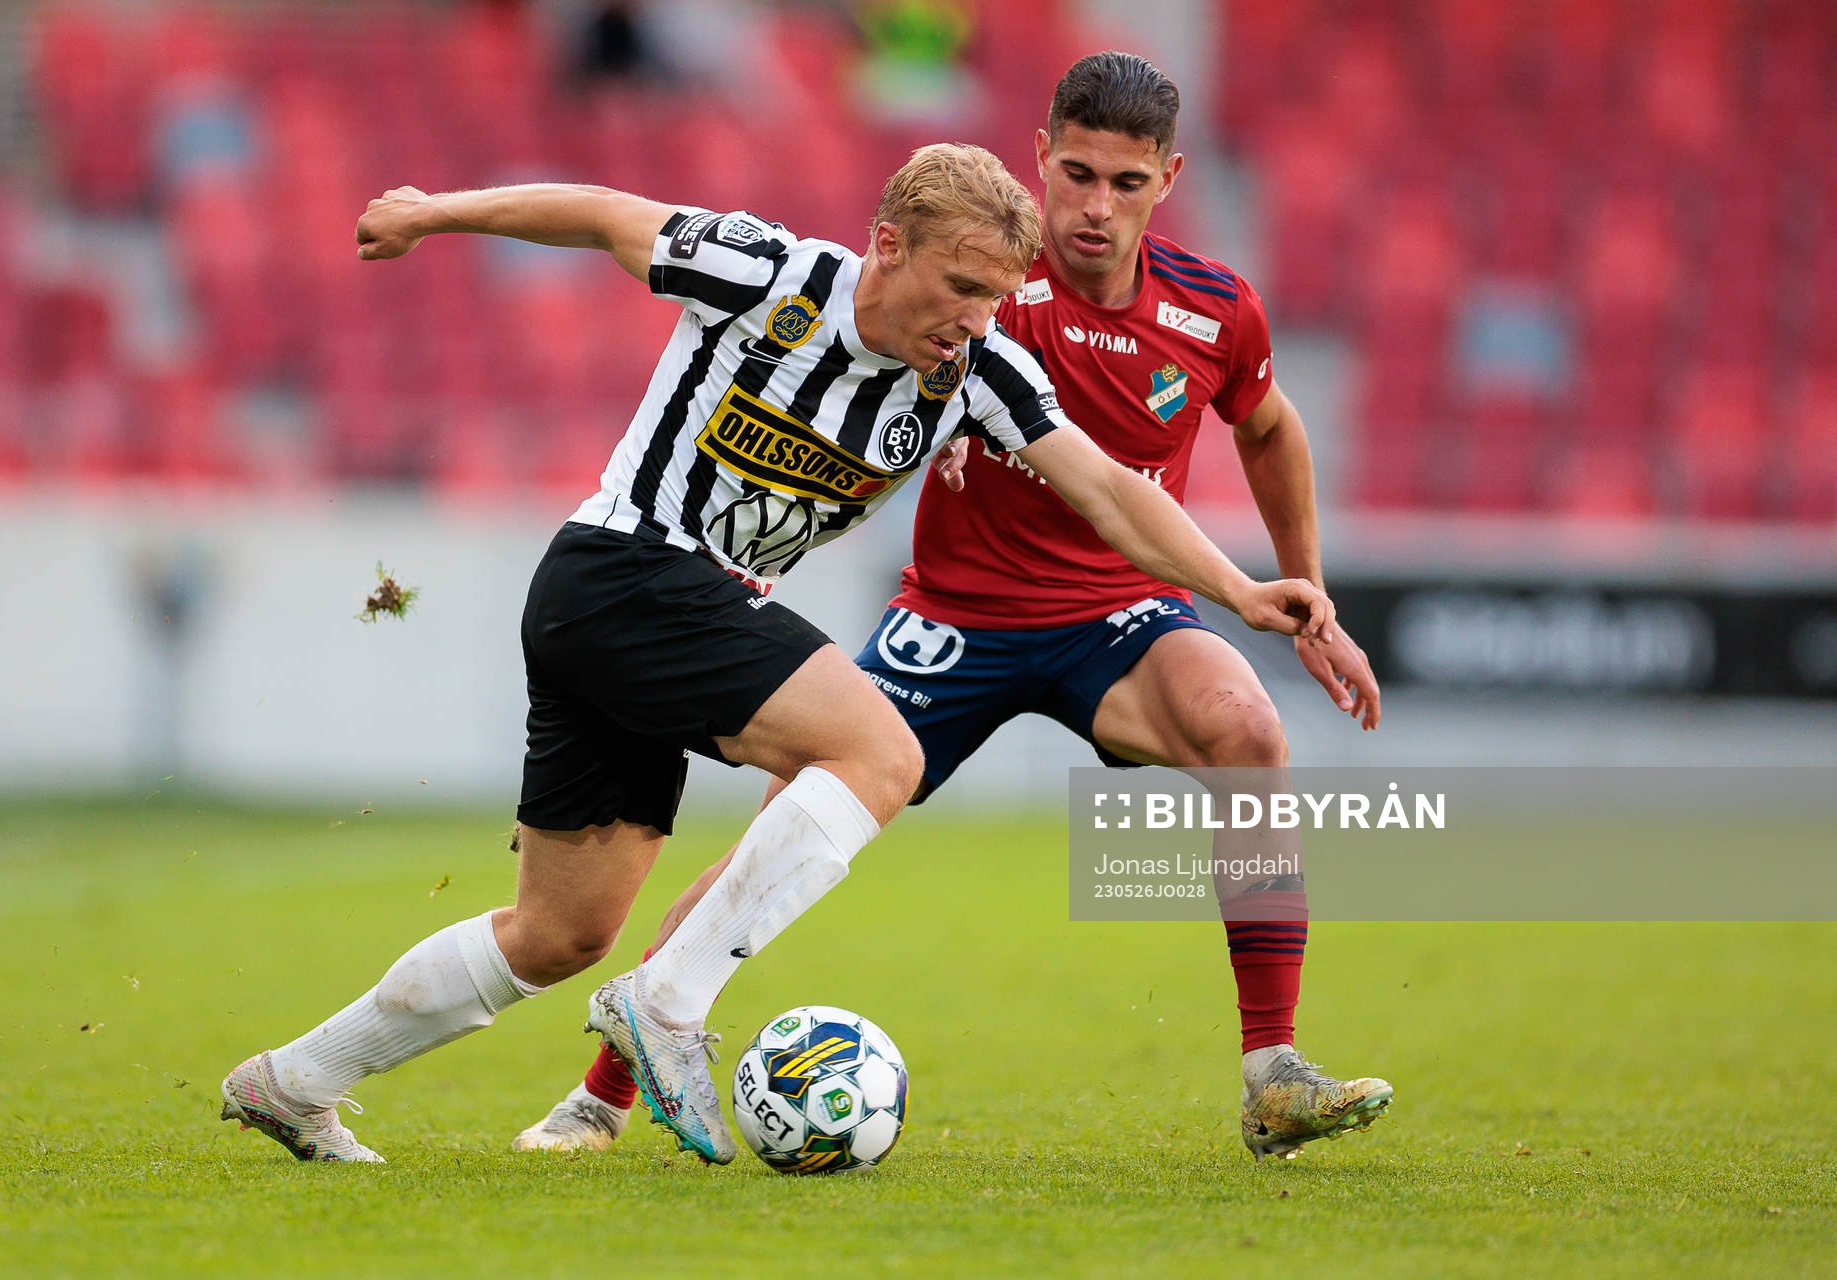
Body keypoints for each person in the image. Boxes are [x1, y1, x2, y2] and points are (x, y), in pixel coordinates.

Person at [218, 140, 1337, 1165]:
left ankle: (294, 1079)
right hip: (623, 567)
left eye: (997, 295)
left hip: (646, 620)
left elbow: (1102, 488)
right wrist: (430, 211)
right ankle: (666, 1006)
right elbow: (608, 214)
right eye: (959, 287)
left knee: (559, 933)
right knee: (878, 752)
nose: (976, 318)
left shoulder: (978, 373)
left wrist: (1236, 587)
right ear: (888, 246)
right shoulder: (769, 272)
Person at [514, 52, 1391, 1164]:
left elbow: (1267, 426)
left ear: (1167, 179)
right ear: (1039, 158)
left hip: (1119, 615)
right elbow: (857, 314)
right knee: (794, 820)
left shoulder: (1216, 310)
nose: (1093, 205)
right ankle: (603, 1092)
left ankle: (1273, 1070)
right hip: (957, 618)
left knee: (1247, 732)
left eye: (1125, 183)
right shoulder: (979, 286)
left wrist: (1303, 591)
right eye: (1075, 173)